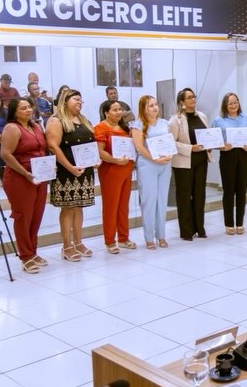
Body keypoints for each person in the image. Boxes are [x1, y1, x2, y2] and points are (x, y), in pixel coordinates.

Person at [45, 88, 96, 261]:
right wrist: (70, 167)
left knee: (79, 207)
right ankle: (67, 246)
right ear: (65, 101)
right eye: (76, 99)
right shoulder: (56, 120)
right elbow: (53, 146)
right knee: (68, 208)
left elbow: (91, 144)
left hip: (84, 171)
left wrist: (95, 159)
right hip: (66, 171)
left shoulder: (84, 120)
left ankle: (78, 242)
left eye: (81, 99)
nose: (79, 102)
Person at [0, 97, 49, 274]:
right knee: (23, 217)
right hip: (20, 177)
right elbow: (6, 154)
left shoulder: (36, 126)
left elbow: (42, 149)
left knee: (36, 215)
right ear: (14, 112)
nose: (28, 110)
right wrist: (26, 173)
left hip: (39, 176)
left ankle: (33, 251)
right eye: (23, 108)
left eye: (29, 107)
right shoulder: (12, 128)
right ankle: (25, 255)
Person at [131, 95, 172, 249]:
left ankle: (161, 235)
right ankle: (149, 237)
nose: (155, 108)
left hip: (165, 165)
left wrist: (169, 155)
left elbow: (169, 142)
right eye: (151, 105)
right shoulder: (137, 125)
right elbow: (139, 147)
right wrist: (154, 159)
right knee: (149, 201)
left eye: (156, 104)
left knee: (162, 201)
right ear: (144, 109)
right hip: (148, 165)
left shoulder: (164, 123)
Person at [169, 87, 211, 240]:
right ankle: (186, 231)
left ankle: (199, 228)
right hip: (183, 162)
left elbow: (208, 135)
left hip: (201, 160)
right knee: (184, 196)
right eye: (189, 97)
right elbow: (171, 142)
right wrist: (190, 148)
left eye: (194, 96)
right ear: (182, 102)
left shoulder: (202, 116)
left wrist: (210, 144)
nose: (193, 99)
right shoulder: (175, 120)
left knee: (200, 195)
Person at [94, 100, 135, 253]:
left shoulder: (125, 127)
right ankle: (110, 241)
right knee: (111, 207)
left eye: (120, 109)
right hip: (111, 171)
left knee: (123, 206)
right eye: (115, 110)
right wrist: (115, 160)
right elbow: (100, 151)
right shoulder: (101, 128)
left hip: (126, 169)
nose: (119, 112)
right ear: (106, 113)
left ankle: (123, 238)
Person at [213, 92, 247, 235]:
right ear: (225, 105)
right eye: (230, 103)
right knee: (228, 191)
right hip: (227, 157)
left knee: (241, 191)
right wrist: (222, 146)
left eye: (236, 102)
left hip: (244, 156)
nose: (233, 105)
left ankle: (240, 223)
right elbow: (213, 141)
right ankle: (229, 223)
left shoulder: (246, 118)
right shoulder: (218, 120)